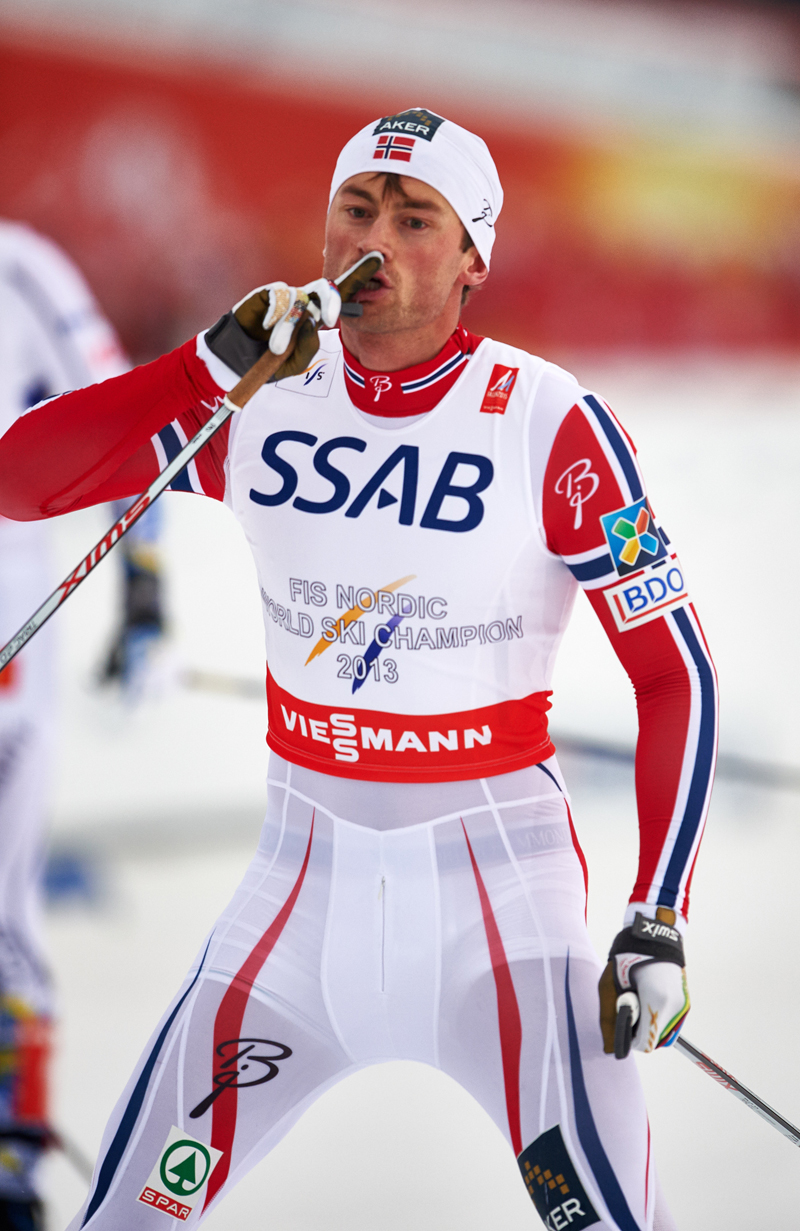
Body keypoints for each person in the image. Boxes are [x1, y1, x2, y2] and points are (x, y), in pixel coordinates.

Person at [0, 111, 716, 1230]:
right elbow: (20, 478)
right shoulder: (260, 395)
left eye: (414, 218)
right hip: (296, 910)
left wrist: (656, 915)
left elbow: (675, 675)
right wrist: (203, 367)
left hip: (502, 930)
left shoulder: (547, 423)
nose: (372, 244)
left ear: (473, 256)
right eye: (356, 210)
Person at [0, 220, 131, 1229]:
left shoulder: (25, 268)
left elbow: (130, 424)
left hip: (8, 655)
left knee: (2, 916)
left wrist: (152, 596)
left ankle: (10, 1155)